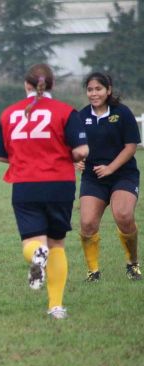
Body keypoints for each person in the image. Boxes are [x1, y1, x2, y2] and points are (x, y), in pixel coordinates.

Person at [0, 63, 89, 319]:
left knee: (33, 241)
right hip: (60, 184)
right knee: (57, 243)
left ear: (26, 85)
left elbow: (1, 156)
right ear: (51, 84)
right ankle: (55, 307)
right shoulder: (66, 112)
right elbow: (81, 151)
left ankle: (36, 254)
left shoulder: (9, 114)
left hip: (25, 184)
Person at [75, 72, 142, 282]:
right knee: (87, 223)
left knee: (123, 216)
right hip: (93, 178)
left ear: (108, 90)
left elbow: (131, 146)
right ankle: (93, 272)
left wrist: (111, 168)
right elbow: (74, 147)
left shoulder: (122, 113)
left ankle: (132, 264)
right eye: (90, 89)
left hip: (123, 174)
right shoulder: (81, 116)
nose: (94, 93)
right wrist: (75, 159)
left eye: (98, 89)